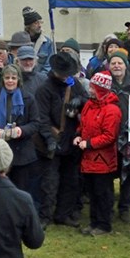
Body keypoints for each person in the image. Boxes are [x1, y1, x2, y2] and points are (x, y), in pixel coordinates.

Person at [34, 52, 88, 228]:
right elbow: (41, 118)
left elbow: (88, 103)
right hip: (53, 138)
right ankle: (45, 215)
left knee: (71, 180)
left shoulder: (74, 85)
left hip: (72, 139)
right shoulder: (45, 88)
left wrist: (80, 101)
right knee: (49, 182)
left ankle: (63, 214)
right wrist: (49, 138)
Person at [0, 64, 40, 199]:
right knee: (0, 191)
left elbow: (35, 123)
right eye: (7, 77)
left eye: (13, 78)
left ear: (18, 80)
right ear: (2, 80)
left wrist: (21, 130)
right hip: (0, 152)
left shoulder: (29, 99)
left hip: (22, 153)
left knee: (20, 192)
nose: (10, 81)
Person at [75, 71, 121, 236]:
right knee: (93, 193)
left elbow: (110, 136)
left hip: (103, 160)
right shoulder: (89, 104)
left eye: (93, 88)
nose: (90, 90)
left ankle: (104, 224)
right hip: (89, 158)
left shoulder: (112, 110)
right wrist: (78, 135)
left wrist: (88, 143)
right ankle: (94, 222)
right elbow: (83, 125)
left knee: (103, 193)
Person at [108, 48, 130, 222]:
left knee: (128, 173)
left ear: (125, 66)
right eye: (113, 63)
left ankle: (125, 207)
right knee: (108, 173)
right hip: (108, 136)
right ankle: (108, 206)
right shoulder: (104, 84)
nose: (117, 66)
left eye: (119, 63)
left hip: (129, 136)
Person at [22, 6, 53, 73]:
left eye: (40, 22)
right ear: (28, 25)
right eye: (36, 23)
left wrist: (39, 79)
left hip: (41, 80)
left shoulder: (47, 43)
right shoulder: (20, 42)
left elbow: (48, 66)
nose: (39, 25)